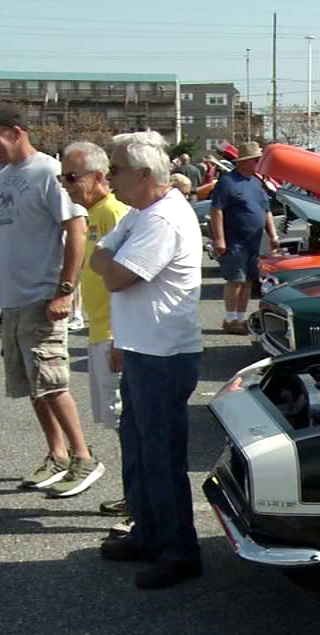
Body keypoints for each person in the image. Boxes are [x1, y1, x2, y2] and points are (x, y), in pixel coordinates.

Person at [0, 103, 106, 495]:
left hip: (43, 295)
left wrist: (64, 289)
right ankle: (57, 454)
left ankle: (84, 458)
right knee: (32, 384)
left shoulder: (46, 170)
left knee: (53, 381)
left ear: (14, 131)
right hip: (13, 298)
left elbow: (76, 230)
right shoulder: (3, 176)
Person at [91, 130, 203, 589]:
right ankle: (148, 533)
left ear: (142, 173)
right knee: (136, 447)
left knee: (161, 455)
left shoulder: (163, 219)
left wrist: (107, 261)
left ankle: (180, 550)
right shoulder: (141, 214)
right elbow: (100, 255)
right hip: (141, 349)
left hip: (164, 355)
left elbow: (114, 275)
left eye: (115, 170)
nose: (109, 178)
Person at [50, 141, 131, 501]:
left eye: (71, 177)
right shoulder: (91, 215)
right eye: (61, 177)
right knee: (117, 424)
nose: (66, 184)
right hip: (100, 330)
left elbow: (129, 280)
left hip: (115, 334)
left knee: (127, 422)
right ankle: (134, 497)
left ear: (99, 177)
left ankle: (137, 502)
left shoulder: (115, 213)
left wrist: (121, 337)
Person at [209, 141, 277, 334]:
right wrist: (219, 239)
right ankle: (230, 318)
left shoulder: (257, 182)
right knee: (235, 280)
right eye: (256, 160)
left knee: (248, 281)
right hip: (234, 241)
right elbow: (217, 211)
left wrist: (273, 235)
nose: (258, 163)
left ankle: (241, 317)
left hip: (253, 242)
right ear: (243, 162)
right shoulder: (227, 182)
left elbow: (266, 211)